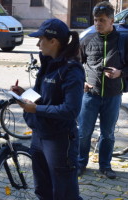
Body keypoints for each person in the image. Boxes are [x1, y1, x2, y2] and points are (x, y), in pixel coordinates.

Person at [11, 18, 84, 199]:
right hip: (39, 136)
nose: (37, 43)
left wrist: (36, 110)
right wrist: (24, 93)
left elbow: (70, 110)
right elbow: (42, 96)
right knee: (43, 191)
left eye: (40, 39)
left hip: (59, 141)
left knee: (64, 193)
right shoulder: (47, 63)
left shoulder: (71, 70)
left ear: (54, 41)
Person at [78, 1, 128, 179]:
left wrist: (121, 72)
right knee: (83, 133)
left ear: (112, 20)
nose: (97, 24)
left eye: (102, 20)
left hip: (113, 96)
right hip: (90, 95)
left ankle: (105, 166)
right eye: (95, 20)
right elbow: (75, 64)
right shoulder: (87, 39)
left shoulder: (123, 40)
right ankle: (80, 163)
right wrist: (81, 81)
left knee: (108, 134)